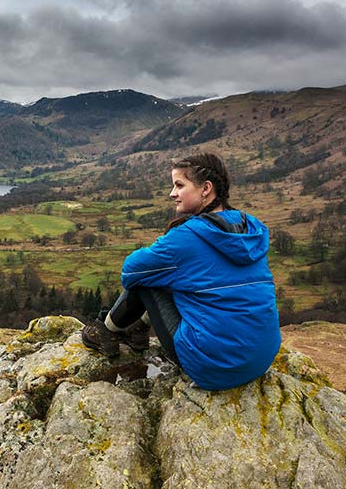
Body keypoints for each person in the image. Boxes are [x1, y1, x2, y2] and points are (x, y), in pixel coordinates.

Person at [81, 153, 281, 391]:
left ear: (206, 188)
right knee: (175, 277)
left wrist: (164, 247)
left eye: (179, 185)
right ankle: (137, 331)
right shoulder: (251, 228)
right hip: (261, 359)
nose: (172, 193)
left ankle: (106, 331)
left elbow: (130, 272)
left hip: (214, 368)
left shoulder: (186, 237)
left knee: (149, 277)